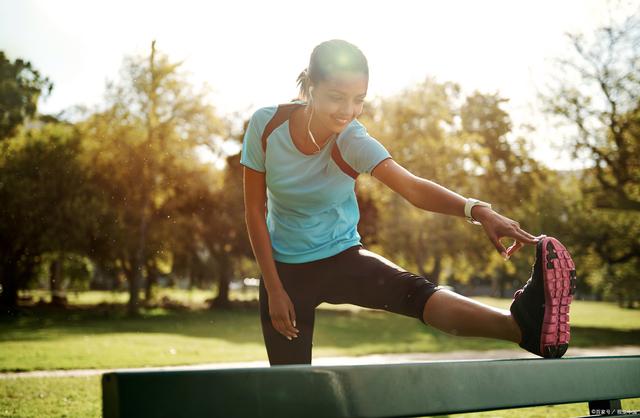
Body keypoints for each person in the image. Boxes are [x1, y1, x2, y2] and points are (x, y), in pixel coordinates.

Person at [240, 39, 576, 366]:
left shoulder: (352, 140)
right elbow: (254, 211)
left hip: (340, 256)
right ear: (311, 87)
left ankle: (523, 328)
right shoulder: (267, 125)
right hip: (283, 271)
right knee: (290, 389)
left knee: (415, 292)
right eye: (336, 97)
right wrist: (274, 288)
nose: (347, 111)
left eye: (359, 99)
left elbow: (413, 188)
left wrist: (477, 209)